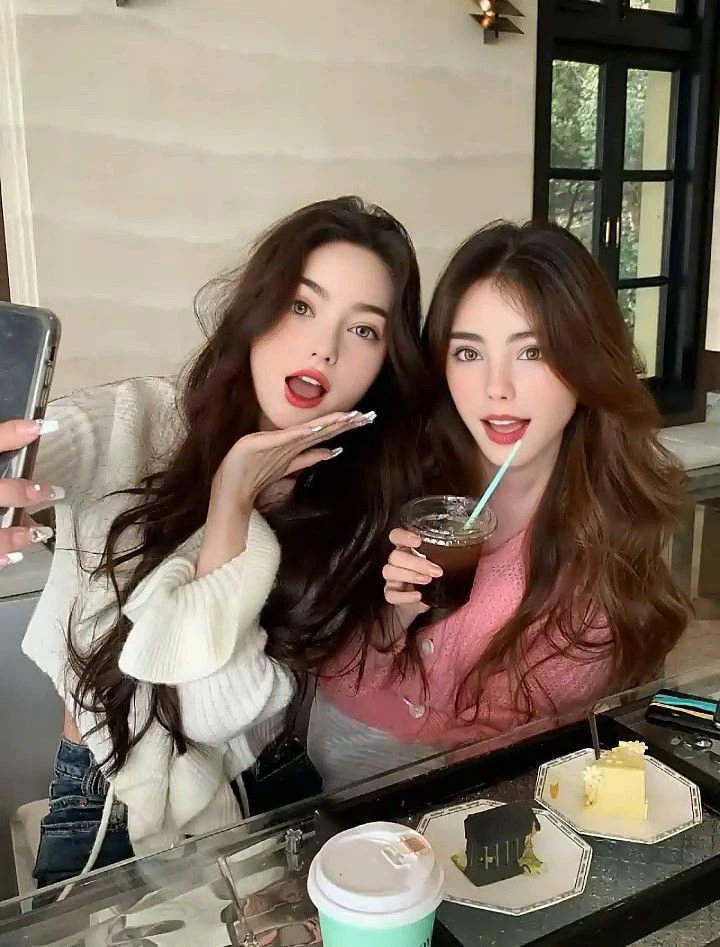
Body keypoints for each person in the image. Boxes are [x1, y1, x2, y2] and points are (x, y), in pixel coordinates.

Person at [4, 196, 427, 890]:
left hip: (267, 784)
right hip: (102, 797)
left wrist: (233, 500)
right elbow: (40, 445)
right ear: (256, 309)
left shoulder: (357, 508)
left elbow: (205, 709)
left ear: (385, 360)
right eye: (301, 305)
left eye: (363, 330)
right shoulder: (132, 420)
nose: (324, 348)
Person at [309, 220, 690, 790]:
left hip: (503, 784)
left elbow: (574, 728)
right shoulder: (398, 473)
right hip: (359, 750)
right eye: (468, 352)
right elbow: (332, 667)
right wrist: (397, 613)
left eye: (532, 351)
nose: (496, 388)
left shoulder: (611, 528)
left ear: (584, 361)